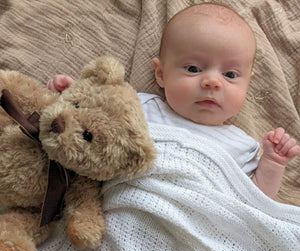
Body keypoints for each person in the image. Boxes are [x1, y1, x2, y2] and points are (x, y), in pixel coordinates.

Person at [47, 3, 299, 200]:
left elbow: (255, 201)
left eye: (230, 75)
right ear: (161, 74)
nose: (212, 82)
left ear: (247, 83)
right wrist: (69, 97)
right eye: (193, 68)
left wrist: (273, 164)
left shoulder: (242, 146)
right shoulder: (138, 107)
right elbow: (87, 129)